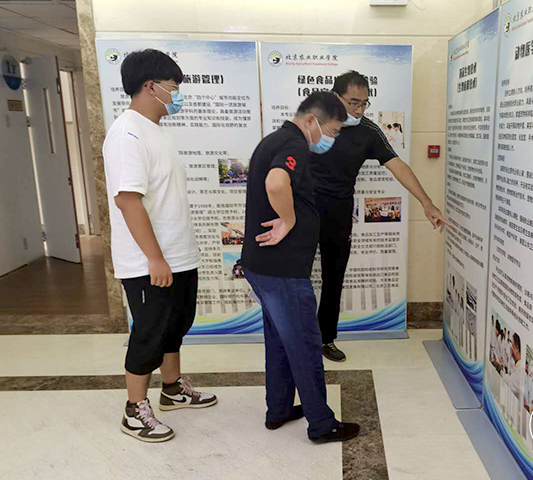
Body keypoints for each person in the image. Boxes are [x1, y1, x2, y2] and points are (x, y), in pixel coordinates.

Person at [104, 49, 217, 443]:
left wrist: (171, 256)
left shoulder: (155, 130)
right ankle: (134, 409)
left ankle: (172, 389)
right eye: (173, 86)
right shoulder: (127, 134)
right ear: (150, 86)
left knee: (175, 326)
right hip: (148, 262)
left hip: (177, 255)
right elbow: (128, 200)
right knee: (149, 334)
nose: (177, 93)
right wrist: (154, 258)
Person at [240, 91, 361, 443]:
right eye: (332, 131)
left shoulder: (274, 140)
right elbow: (276, 183)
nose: (332, 139)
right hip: (283, 270)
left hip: (263, 266)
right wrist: (290, 220)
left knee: (279, 340)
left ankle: (278, 409)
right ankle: (322, 425)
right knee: (306, 344)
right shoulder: (293, 144)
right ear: (312, 120)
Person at [311, 71, 448, 362]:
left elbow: (397, 164)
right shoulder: (312, 122)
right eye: (353, 102)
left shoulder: (368, 131)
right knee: (297, 277)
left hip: (339, 211)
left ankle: (325, 339)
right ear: (335, 97)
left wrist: (426, 202)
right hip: (305, 208)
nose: (359, 110)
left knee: (334, 276)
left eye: (364, 103)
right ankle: (297, 338)